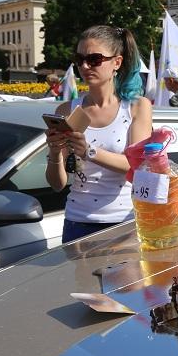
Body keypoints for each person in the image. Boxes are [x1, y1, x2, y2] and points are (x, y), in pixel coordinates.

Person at [45, 26, 153, 243]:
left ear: (117, 62)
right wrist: (55, 152)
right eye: (80, 58)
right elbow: (57, 184)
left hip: (123, 222)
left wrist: (89, 151)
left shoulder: (136, 107)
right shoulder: (66, 111)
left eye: (94, 59)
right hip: (77, 221)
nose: (85, 66)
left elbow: (136, 166)